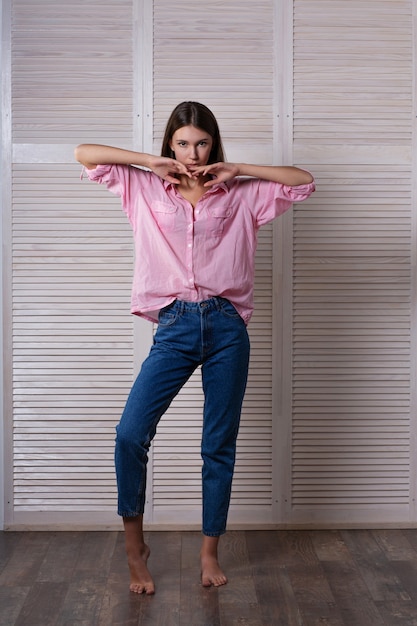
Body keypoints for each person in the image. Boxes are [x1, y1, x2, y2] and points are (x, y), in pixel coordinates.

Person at [75, 101, 315, 595]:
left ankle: (210, 553)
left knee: (217, 446)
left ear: (214, 144)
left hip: (228, 327)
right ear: (170, 144)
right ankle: (134, 547)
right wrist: (148, 160)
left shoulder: (241, 195)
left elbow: (302, 179)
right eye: (182, 143)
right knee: (130, 434)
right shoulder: (142, 186)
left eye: (201, 142)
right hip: (176, 325)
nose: (191, 152)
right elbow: (83, 152)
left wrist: (239, 169)